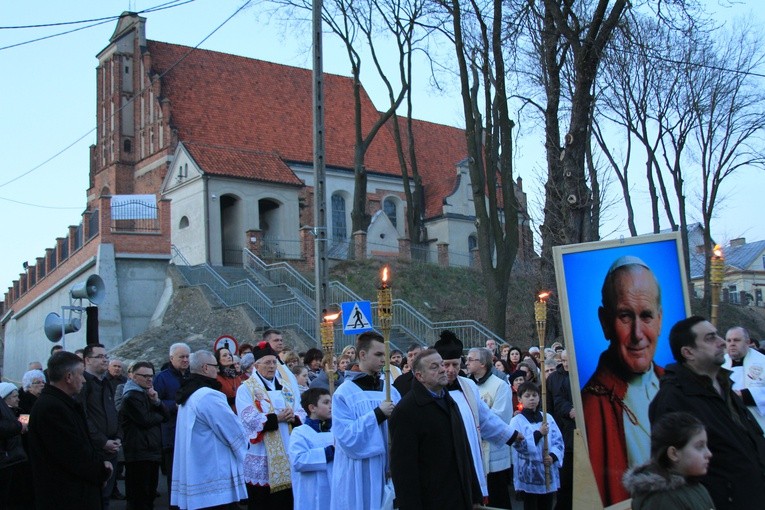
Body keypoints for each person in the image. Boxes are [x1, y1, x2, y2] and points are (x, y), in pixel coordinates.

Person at [649, 316, 765, 510]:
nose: (722, 342)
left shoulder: (723, 384)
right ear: (688, 352)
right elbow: (674, 470)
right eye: (710, 338)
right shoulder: (673, 399)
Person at [581, 256, 664, 506]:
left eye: (647, 316)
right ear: (605, 323)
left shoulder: (677, 385)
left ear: (659, 320)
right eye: (626, 317)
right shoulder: (594, 402)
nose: (638, 335)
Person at [435, 330, 524, 503]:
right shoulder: (433, 389)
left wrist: (511, 435)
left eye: (455, 364)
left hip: (470, 453)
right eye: (445, 365)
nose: (451, 370)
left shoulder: (468, 386)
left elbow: (485, 418)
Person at [390, 349, 484, 509]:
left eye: (441, 364)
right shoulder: (406, 411)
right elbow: (404, 471)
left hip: (460, 498)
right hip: (433, 501)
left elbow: (464, 450)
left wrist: (474, 494)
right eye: (434, 367)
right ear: (419, 376)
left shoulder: (449, 400)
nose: (443, 369)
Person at [28, 352, 113, 510]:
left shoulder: (61, 404)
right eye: (81, 374)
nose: (83, 379)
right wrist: (102, 471)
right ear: (68, 377)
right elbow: (73, 454)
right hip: (67, 496)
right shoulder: (52, 408)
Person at [330, 331, 401, 508]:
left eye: (385, 355)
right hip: (358, 470)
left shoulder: (390, 390)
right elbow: (346, 437)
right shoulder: (344, 393)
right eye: (378, 354)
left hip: (388, 467)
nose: (383, 360)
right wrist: (377, 414)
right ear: (362, 355)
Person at [172, 350, 248, 510]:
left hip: (197, 469)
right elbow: (232, 430)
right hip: (214, 473)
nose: (218, 370)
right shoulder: (208, 395)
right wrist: (246, 451)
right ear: (205, 368)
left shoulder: (189, 393)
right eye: (215, 366)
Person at [237, 342, 303, 510]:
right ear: (256, 365)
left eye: (274, 362)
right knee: (264, 503)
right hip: (263, 455)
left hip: (288, 448)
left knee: (288, 501)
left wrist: (293, 417)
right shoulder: (246, 389)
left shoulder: (286, 387)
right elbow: (248, 418)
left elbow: (300, 410)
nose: (272, 366)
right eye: (267, 362)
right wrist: (277, 418)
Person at [622, 412, 714, 510]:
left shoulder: (695, 486)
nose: (709, 454)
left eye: (706, 446)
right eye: (699, 446)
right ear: (673, 454)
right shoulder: (661, 500)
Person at [465, 347, 514, 509]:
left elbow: (501, 417)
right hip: (473, 448)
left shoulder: (500, 385)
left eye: (471, 359)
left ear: (483, 363)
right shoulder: (466, 385)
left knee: (497, 497)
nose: (467, 362)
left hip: (493, 451)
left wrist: (475, 424)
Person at [78, 343, 123, 506]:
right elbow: (83, 417)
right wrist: (102, 442)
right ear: (87, 360)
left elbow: (114, 412)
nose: (105, 360)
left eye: (106, 356)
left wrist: (118, 436)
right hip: (96, 450)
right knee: (95, 497)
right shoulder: (83, 384)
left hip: (112, 448)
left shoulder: (106, 383)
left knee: (105, 497)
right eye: (100, 357)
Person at [119, 361, 169, 510]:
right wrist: (158, 413)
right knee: (139, 496)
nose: (149, 379)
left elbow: (165, 416)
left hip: (150, 450)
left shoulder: (148, 393)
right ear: (134, 377)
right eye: (145, 376)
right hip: (139, 451)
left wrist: (157, 402)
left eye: (151, 376)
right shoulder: (131, 396)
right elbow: (145, 420)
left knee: (149, 495)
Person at [510, 381, 564, 510]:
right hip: (529, 474)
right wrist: (539, 433)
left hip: (547, 469)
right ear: (520, 399)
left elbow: (558, 440)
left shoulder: (547, 418)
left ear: (540, 397)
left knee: (546, 505)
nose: (532, 399)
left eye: (534, 395)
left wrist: (553, 456)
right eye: (527, 396)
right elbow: (519, 446)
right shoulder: (516, 421)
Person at [153, 341, 190, 508]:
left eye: (187, 356)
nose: (185, 360)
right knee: (174, 478)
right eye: (181, 356)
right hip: (171, 433)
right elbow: (155, 402)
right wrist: (173, 405)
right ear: (171, 358)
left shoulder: (191, 376)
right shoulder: (162, 378)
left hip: (190, 433)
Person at [288, 388, 335, 510]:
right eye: (326, 403)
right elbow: (298, 461)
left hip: (334, 488)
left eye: (331, 402)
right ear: (312, 408)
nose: (331, 406)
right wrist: (329, 452)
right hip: (311, 491)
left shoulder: (336, 430)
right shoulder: (300, 432)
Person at [545, 350, 576, 510]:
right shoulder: (554, 379)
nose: (566, 364)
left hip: (581, 432)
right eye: (563, 360)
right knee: (566, 480)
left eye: (568, 360)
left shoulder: (582, 374)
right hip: (563, 432)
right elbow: (553, 403)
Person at [723, 325, 765, 430]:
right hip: (730, 422)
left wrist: (745, 395)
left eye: (736, 340)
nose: (732, 344)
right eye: (728, 341)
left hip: (758, 421)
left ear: (747, 342)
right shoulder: (719, 364)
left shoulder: (762, 361)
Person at [0, 382, 31, 509]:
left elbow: (25, 429)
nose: (18, 399)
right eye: (14, 396)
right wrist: (19, 426)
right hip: (8, 457)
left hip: (18, 457)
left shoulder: (21, 411)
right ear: (5, 397)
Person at [215, 346, 242, 413]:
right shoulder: (216, 377)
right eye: (224, 355)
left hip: (240, 411)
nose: (229, 356)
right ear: (218, 360)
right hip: (226, 412)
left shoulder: (236, 376)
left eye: (229, 354)